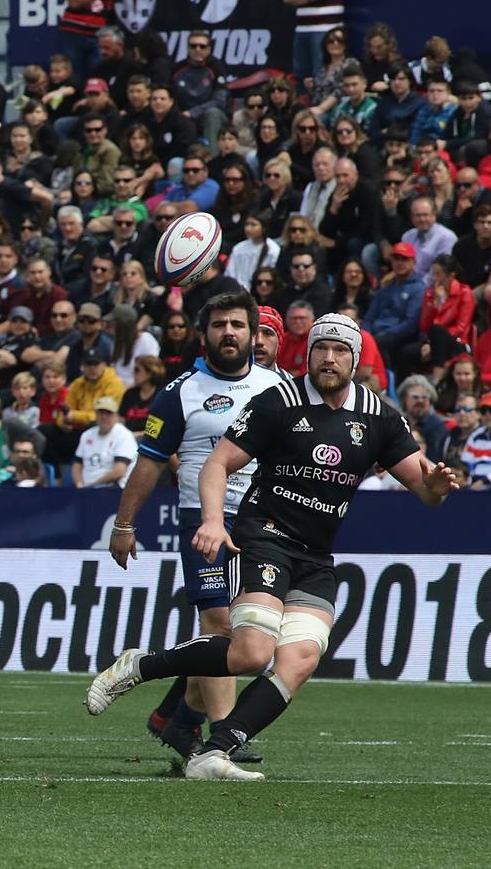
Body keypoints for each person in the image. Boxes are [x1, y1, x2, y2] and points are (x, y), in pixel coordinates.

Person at [89, 312, 456, 781]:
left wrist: (437, 488)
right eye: (320, 348)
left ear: (356, 360)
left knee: (299, 659)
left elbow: (424, 488)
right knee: (252, 652)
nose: (328, 357)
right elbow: (217, 463)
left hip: (316, 556)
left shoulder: (379, 415)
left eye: (340, 350)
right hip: (263, 537)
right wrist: (215, 521)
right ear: (307, 354)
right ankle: (140, 666)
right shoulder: (277, 401)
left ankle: (212, 754)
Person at [107, 292, 286, 762]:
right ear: (202, 335)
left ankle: (178, 717)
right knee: (220, 624)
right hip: (202, 521)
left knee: (255, 641)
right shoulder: (179, 391)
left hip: (263, 524)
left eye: (238, 325)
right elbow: (146, 464)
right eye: (219, 325)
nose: (229, 332)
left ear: (252, 334)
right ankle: (223, 737)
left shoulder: (278, 388)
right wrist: (124, 524)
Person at [72, 396, 136, 488]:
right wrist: (79, 485)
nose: (104, 416)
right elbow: (77, 464)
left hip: (112, 489)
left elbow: (119, 471)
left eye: (108, 413)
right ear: (96, 414)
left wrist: (92, 486)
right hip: (85, 490)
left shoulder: (124, 435)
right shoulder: (87, 435)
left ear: (116, 416)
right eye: (101, 412)